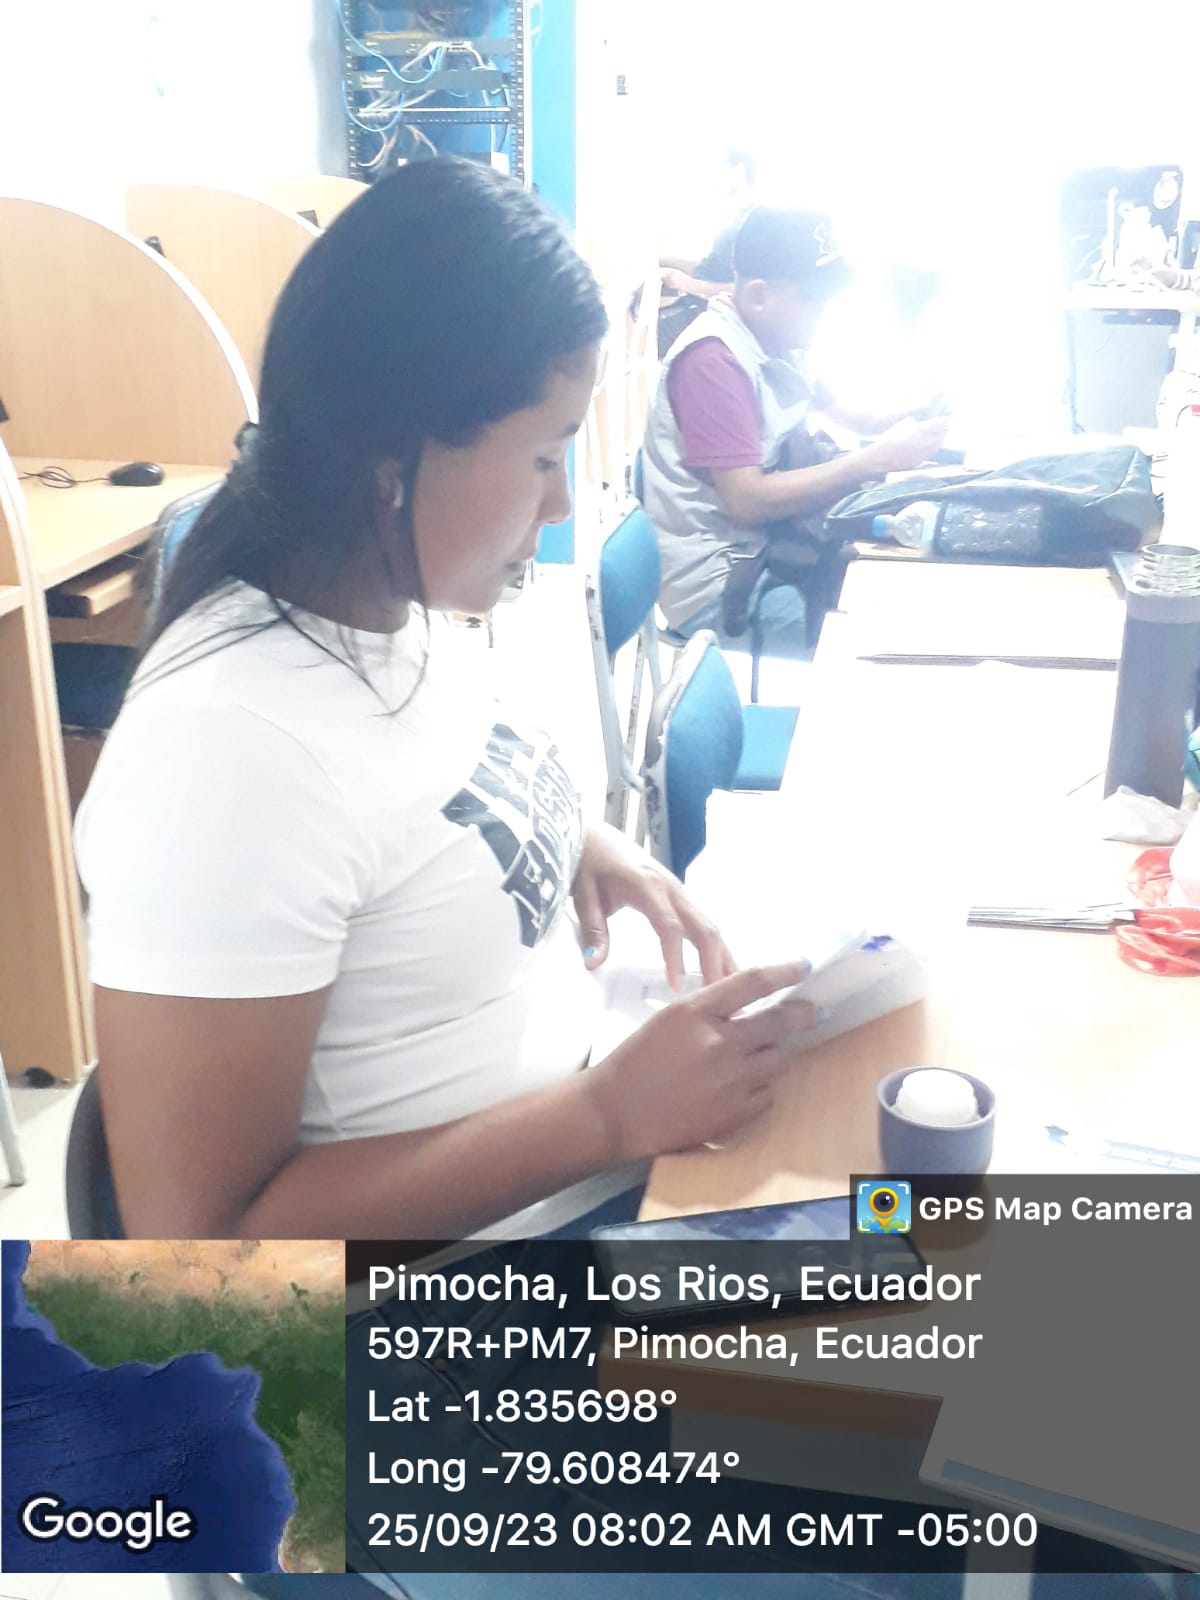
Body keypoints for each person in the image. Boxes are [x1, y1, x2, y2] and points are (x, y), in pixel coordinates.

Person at [75, 159, 817, 1244]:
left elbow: (424, 788)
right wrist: (606, 1115)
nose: (561, 504)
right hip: (440, 1296)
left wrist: (576, 836)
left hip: (578, 1156)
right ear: (395, 459)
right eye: (545, 456)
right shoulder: (227, 751)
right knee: (937, 1290)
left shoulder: (384, 599)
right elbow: (203, 1245)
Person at [640, 207, 952, 657]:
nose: (825, 310)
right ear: (759, 295)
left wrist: (911, 414)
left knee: (912, 589)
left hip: (767, 545)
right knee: (882, 637)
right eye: (813, 298)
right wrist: (870, 461)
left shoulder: (779, 340)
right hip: (720, 582)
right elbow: (746, 502)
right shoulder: (713, 364)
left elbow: (857, 416)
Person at [652, 146, 759, 356]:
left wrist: (686, 284)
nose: (715, 177)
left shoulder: (751, 223)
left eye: (720, 168)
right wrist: (663, 261)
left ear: (738, 170)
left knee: (630, 328)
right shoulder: (734, 219)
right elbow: (713, 268)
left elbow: (741, 291)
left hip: (711, 318)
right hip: (697, 308)